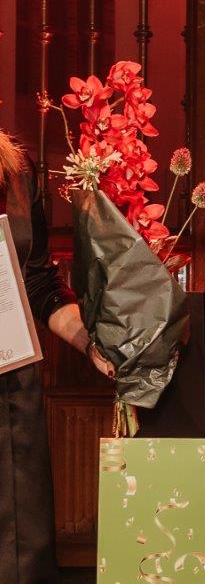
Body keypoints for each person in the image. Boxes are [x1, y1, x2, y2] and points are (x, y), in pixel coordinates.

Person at [0, 130, 113, 583]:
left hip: (10, 390)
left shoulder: (15, 170)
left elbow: (38, 283)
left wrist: (90, 342)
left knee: (19, 553)